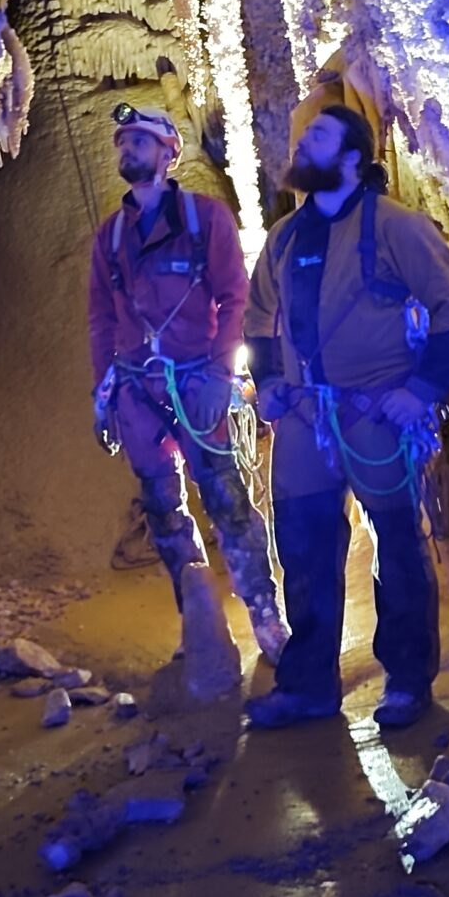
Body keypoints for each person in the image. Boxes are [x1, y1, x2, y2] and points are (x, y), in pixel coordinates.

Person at [243, 105, 449, 729]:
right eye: (303, 135)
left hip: (373, 411)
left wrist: (423, 389)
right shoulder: (285, 239)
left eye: (317, 135)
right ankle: (310, 684)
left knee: (398, 546)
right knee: (304, 548)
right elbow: (257, 319)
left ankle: (406, 680)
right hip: (301, 417)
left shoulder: (394, 227)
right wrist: (267, 380)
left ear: (353, 157)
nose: (302, 142)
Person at [89, 103, 289, 675]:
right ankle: (199, 616)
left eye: (139, 141)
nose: (126, 149)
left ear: (168, 150)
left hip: (198, 384)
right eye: (122, 141)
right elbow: (101, 319)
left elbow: (233, 297)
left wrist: (221, 376)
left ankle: (266, 616)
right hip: (137, 393)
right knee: (163, 510)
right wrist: (102, 397)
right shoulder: (111, 237)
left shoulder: (205, 219)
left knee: (227, 502)